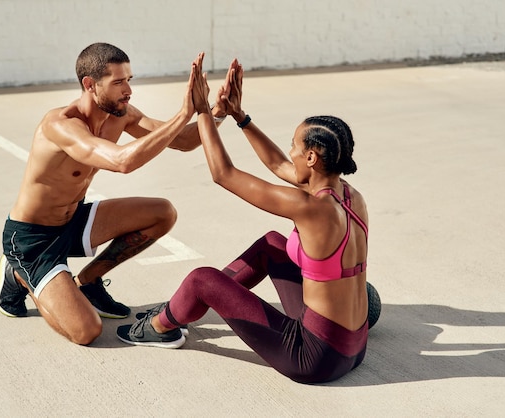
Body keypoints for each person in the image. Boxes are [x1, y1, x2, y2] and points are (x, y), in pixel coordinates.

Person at [117, 53, 373, 384]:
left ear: (311, 157)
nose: (290, 152)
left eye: (293, 146)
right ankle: (186, 306)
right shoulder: (351, 196)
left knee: (201, 279)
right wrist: (240, 116)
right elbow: (280, 166)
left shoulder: (309, 208)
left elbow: (223, 174)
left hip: (314, 357)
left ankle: (160, 327)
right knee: (271, 245)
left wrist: (204, 112)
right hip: (354, 346)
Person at [0, 43, 234, 345]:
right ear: (90, 84)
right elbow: (121, 162)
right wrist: (184, 111)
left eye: (129, 80)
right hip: (32, 239)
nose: (128, 90)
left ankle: (88, 281)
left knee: (162, 213)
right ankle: (18, 274)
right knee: (86, 332)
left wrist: (216, 113)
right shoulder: (61, 125)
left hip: (72, 221)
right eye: (118, 82)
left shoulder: (121, 114)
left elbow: (182, 141)